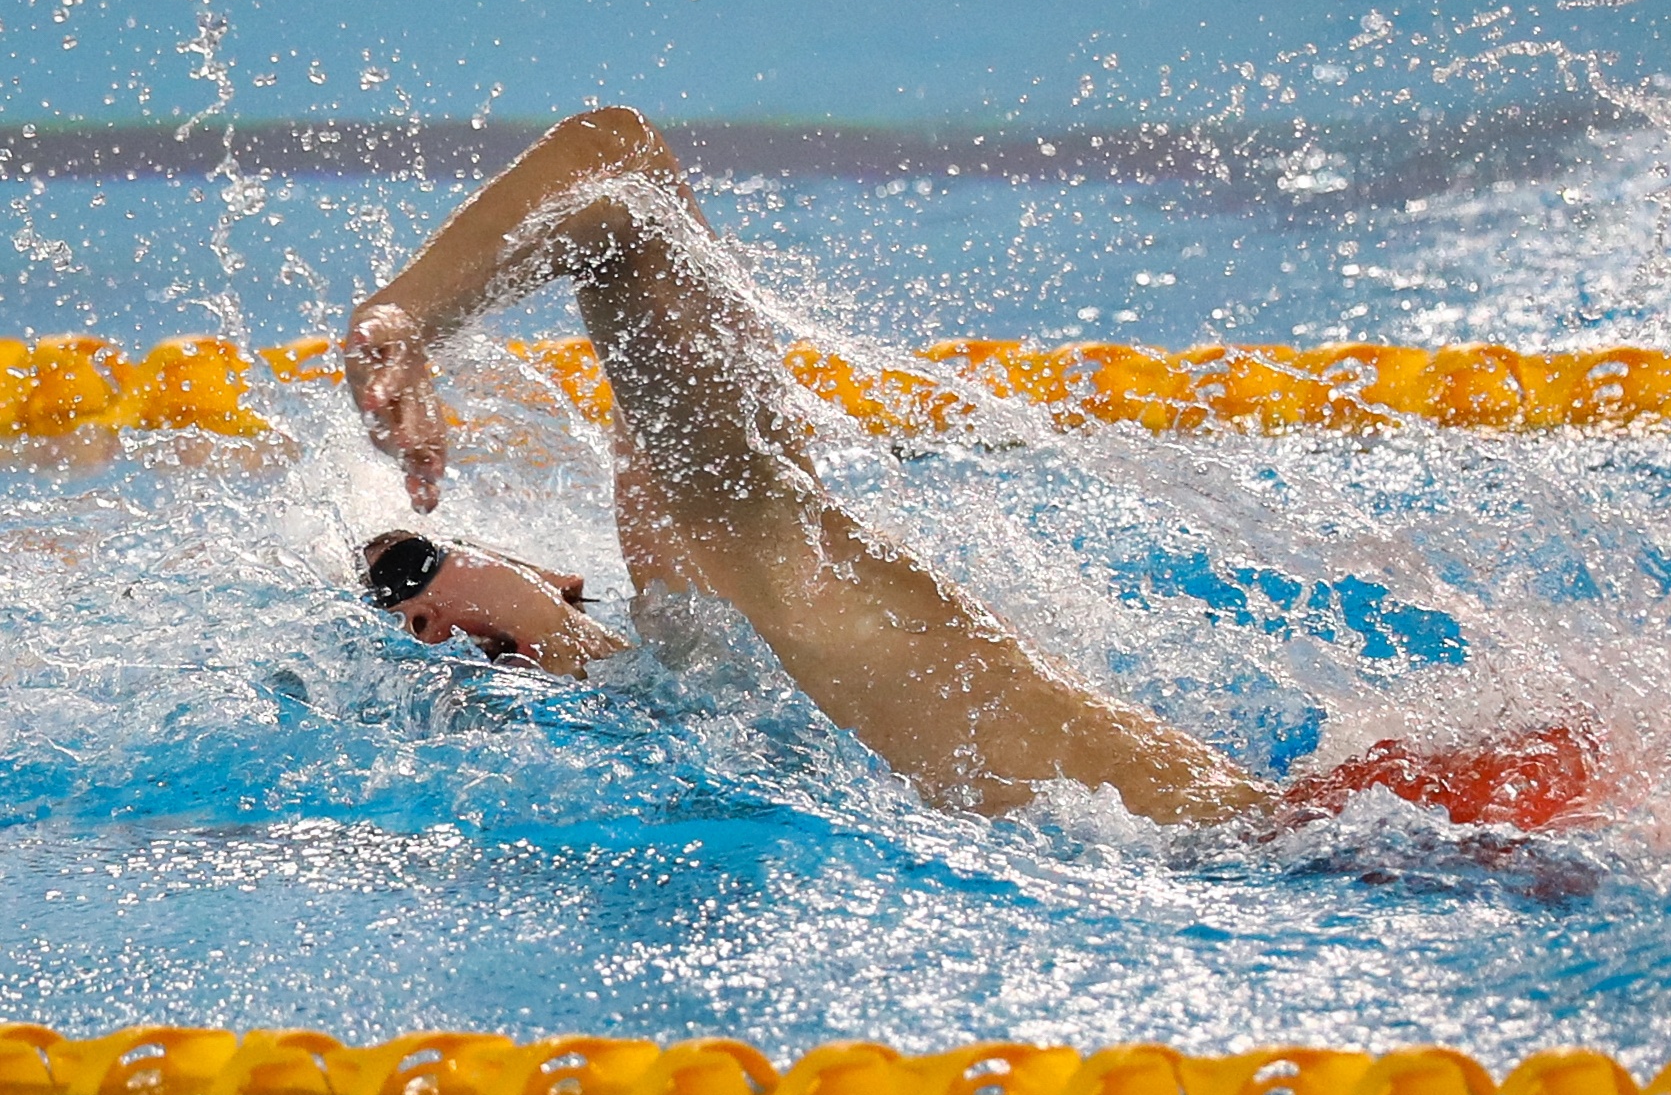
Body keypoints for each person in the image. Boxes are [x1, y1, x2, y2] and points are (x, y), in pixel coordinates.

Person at [343, 107, 1594, 830]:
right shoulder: (723, 684)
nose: (433, 626)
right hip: (1343, 847)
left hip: (1345, 854)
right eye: (417, 619)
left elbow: (619, 174)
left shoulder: (769, 581)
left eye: (412, 579)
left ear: (555, 572)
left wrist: (404, 321)